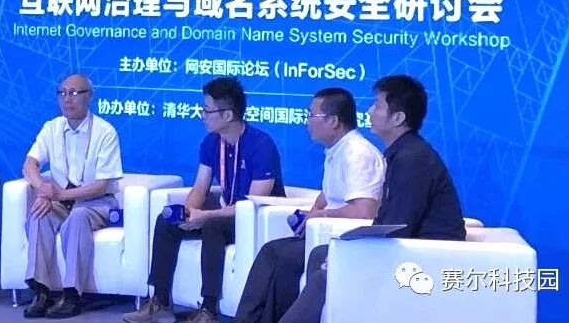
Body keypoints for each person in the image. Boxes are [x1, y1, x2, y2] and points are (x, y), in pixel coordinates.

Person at [278, 75, 466, 323]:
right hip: (410, 247)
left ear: (398, 118)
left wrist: (355, 252)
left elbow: (398, 226)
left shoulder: (411, 159)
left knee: (326, 272)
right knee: (320, 254)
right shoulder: (403, 152)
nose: (369, 111)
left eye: (377, 105)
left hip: (427, 256)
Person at [124, 76, 285, 323]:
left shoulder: (261, 145)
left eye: (207, 110)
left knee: (213, 226)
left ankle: (209, 309)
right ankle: (160, 301)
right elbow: (200, 188)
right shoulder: (211, 142)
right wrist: (188, 213)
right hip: (226, 214)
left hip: (256, 221)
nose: (202, 115)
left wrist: (206, 216)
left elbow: (252, 204)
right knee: (167, 221)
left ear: (228, 115)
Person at [234, 87, 385, 323]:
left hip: (349, 240)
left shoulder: (357, 154)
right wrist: (311, 216)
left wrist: (320, 216)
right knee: (271, 251)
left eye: (311, 115)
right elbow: (328, 194)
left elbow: (363, 211)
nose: (306, 122)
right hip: (326, 234)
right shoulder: (337, 150)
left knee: (286, 258)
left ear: (333, 121)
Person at [21, 74, 123, 319]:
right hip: (60, 200)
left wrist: (59, 193)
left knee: (77, 217)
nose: (68, 99)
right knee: (38, 215)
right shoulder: (52, 128)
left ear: (90, 96)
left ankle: (72, 295)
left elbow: (101, 185)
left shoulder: (105, 132)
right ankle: (41, 291)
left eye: (75, 93)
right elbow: (29, 164)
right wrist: (43, 190)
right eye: (63, 93)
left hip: (97, 202)